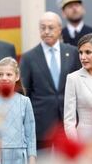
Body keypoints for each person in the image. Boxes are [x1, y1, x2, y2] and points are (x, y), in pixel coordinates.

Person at [20, 12, 80, 149]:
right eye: (43, 27)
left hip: (68, 122)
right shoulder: (29, 57)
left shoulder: (72, 53)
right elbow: (24, 93)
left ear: (60, 29)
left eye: (51, 27)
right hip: (41, 124)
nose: (46, 31)